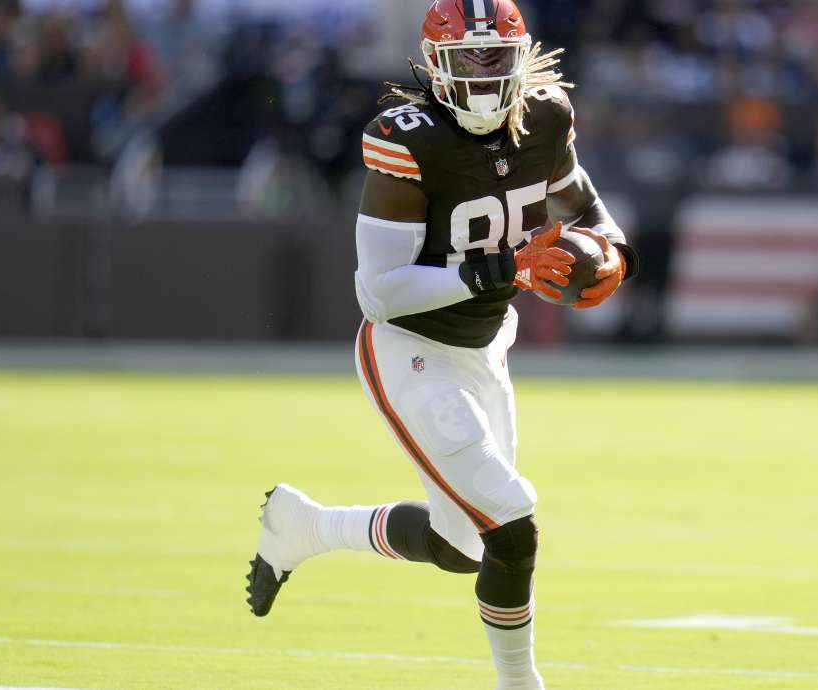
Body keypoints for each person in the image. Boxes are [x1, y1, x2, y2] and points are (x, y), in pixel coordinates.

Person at [243, 2, 639, 689]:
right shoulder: (408, 141)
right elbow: (381, 292)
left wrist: (615, 258)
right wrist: (508, 268)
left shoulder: (544, 118)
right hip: (409, 350)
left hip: (485, 346)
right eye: (468, 62)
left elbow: (586, 209)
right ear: (434, 65)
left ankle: (304, 527)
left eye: (497, 62)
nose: (485, 81)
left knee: (463, 548)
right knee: (511, 522)